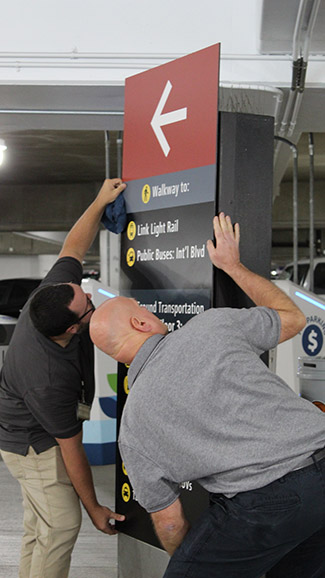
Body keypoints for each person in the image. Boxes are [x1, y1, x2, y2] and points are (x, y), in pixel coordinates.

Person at [90, 212, 325, 578]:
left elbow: (169, 523)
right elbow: (291, 318)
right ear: (140, 323)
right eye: (143, 311)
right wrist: (233, 266)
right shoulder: (213, 325)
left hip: (267, 504)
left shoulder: (133, 430)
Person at [0, 178, 126, 578]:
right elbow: (71, 449)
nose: (89, 296)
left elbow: (73, 246)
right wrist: (94, 509)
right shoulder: (48, 378)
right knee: (63, 525)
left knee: (40, 526)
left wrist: (98, 202)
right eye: (87, 303)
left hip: (21, 427)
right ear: (73, 328)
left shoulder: (51, 296)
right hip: (32, 444)